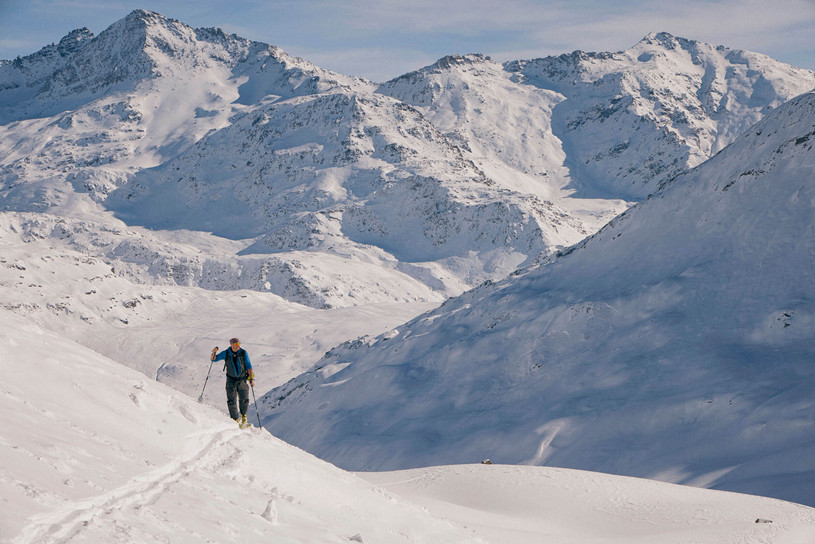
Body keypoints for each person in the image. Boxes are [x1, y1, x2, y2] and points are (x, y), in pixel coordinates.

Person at [211, 338, 255, 427]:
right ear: (231, 345)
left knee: (244, 399)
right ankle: (235, 420)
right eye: (235, 344)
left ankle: (244, 417)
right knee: (231, 400)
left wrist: (251, 379)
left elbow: (249, 366)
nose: (237, 346)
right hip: (231, 380)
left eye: (239, 344)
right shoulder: (226, 353)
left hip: (242, 379)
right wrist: (214, 352)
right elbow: (214, 359)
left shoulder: (243, 353)